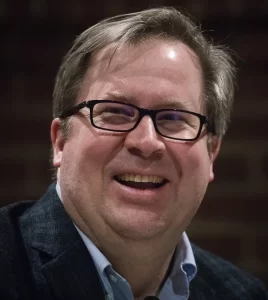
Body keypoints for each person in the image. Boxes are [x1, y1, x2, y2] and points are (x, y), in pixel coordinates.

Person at [0, 7, 267, 300]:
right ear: (60, 142)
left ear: (212, 152)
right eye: (114, 112)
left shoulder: (243, 294)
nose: (146, 141)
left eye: (174, 118)